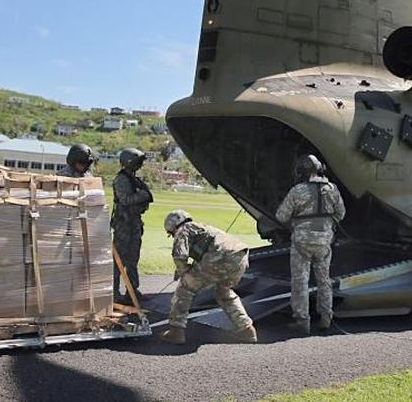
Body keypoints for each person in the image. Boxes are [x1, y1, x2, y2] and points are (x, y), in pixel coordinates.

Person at [159, 209, 257, 345]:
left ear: (174, 226)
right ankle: (247, 330)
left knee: (185, 289)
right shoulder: (202, 228)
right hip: (240, 257)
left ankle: (176, 331)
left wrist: (184, 271)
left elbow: (179, 256)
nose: (173, 235)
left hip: (218, 257)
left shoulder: (184, 229)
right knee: (224, 292)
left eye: (171, 233)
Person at [274, 154, 345, 335]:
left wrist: (296, 222)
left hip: (301, 242)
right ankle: (326, 318)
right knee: (324, 280)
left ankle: (302, 321)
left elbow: (281, 216)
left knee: (300, 282)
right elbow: (341, 214)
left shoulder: (298, 190)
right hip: (324, 241)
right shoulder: (332, 189)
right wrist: (327, 225)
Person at [111, 148, 152, 302]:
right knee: (119, 259)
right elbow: (125, 200)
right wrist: (143, 195)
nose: (140, 165)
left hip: (134, 222)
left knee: (133, 258)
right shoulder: (121, 179)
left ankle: (132, 290)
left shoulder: (133, 178)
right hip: (124, 224)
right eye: (138, 162)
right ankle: (114, 292)